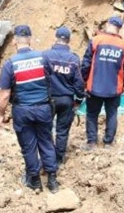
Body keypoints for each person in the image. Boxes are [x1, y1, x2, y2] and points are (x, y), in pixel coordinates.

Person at [0, 25, 59, 193]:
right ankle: (52, 180)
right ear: (30, 39)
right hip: (43, 108)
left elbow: (4, 95)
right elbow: (51, 80)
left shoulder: (10, 64)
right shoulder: (43, 58)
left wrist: (0, 114)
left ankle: (35, 181)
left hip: (22, 110)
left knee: (28, 146)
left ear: (14, 42)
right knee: (46, 143)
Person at [81, 16, 124, 150]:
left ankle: (92, 142)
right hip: (114, 89)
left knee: (92, 114)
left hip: (94, 86)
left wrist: (84, 81)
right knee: (112, 114)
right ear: (119, 29)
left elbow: (86, 63)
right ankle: (108, 142)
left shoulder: (96, 41)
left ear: (108, 24)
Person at [43, 26, 85, 164]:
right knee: (62, 132)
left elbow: (40, 78)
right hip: (66, 100)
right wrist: (79, 99)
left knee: (46, 130)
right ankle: (59, 159)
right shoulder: (73, 59)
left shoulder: (45, 56)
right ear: (68, 40)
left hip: (48, 99)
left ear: (56, 37)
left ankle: (47, 158)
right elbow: (79, 82)